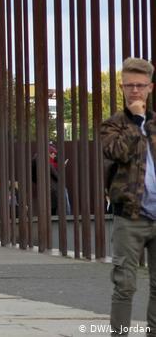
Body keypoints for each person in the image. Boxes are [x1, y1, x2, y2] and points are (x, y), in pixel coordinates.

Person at [101, 58, 156, 335]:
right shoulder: (113, 125)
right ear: (122, 87)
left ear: (150, 88)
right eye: (129, 85)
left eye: (140, 85)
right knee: (125, 284)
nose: (135, 90)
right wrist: (136, 121)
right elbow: (117, 152)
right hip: (130, 217)